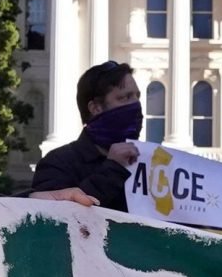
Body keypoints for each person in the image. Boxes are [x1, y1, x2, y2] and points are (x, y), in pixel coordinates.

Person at [29, 60, 141, 211]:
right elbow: (58, 219)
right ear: (95, 108)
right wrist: (113, 169)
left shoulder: (147, 163)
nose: (136, 105)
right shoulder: (58, 163)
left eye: (137, 97)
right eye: (125, 97)